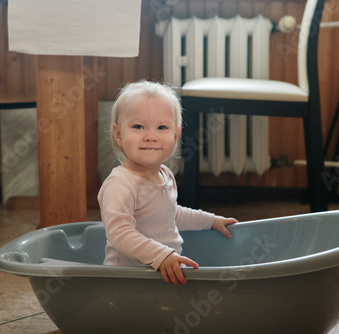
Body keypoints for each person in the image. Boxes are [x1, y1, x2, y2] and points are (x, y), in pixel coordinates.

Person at [98, 80, 238, 285]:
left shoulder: (165, 175)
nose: (151, 136)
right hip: (127, 280)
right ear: (119, 134)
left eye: (162, 127)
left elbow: (170, 214)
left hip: (163, 274)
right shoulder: (121, 183)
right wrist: (160, 254)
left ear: (175, 135)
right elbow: (119, 232)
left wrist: (211, 220)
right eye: (138, 126)